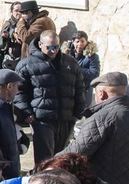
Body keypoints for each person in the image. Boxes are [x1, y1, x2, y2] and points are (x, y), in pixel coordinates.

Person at [16, 29, 85, 166]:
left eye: (56, 47)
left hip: (66, 118)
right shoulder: (27, 65)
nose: (53, 51)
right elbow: (19, 92)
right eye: (49, 47)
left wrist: (78, 112)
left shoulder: (70, 63)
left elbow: (79, 88)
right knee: (45, 160)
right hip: (42, 119)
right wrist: (27, 113)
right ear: (40, 44)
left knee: (61, 159)